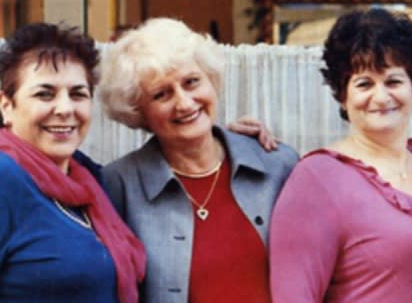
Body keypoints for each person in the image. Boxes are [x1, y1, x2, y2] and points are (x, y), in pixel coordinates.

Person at [269, 8, 412, 302]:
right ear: (342, 95)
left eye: (393, 81)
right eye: (364, 83)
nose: (381, 96)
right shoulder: (316, 179)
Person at [100, 17, 298, 302]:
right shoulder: (118, 186)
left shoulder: (276, 164)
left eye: (192, 82)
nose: (184, 103)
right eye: (161, 94)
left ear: (211, 79)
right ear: (138, 111)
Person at [0, 23, 146, 302]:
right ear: (7, 106)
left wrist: (233, 143)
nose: (65, 109)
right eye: (45, 94)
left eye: (78, 94)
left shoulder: (89, 181)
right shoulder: (5, 179)